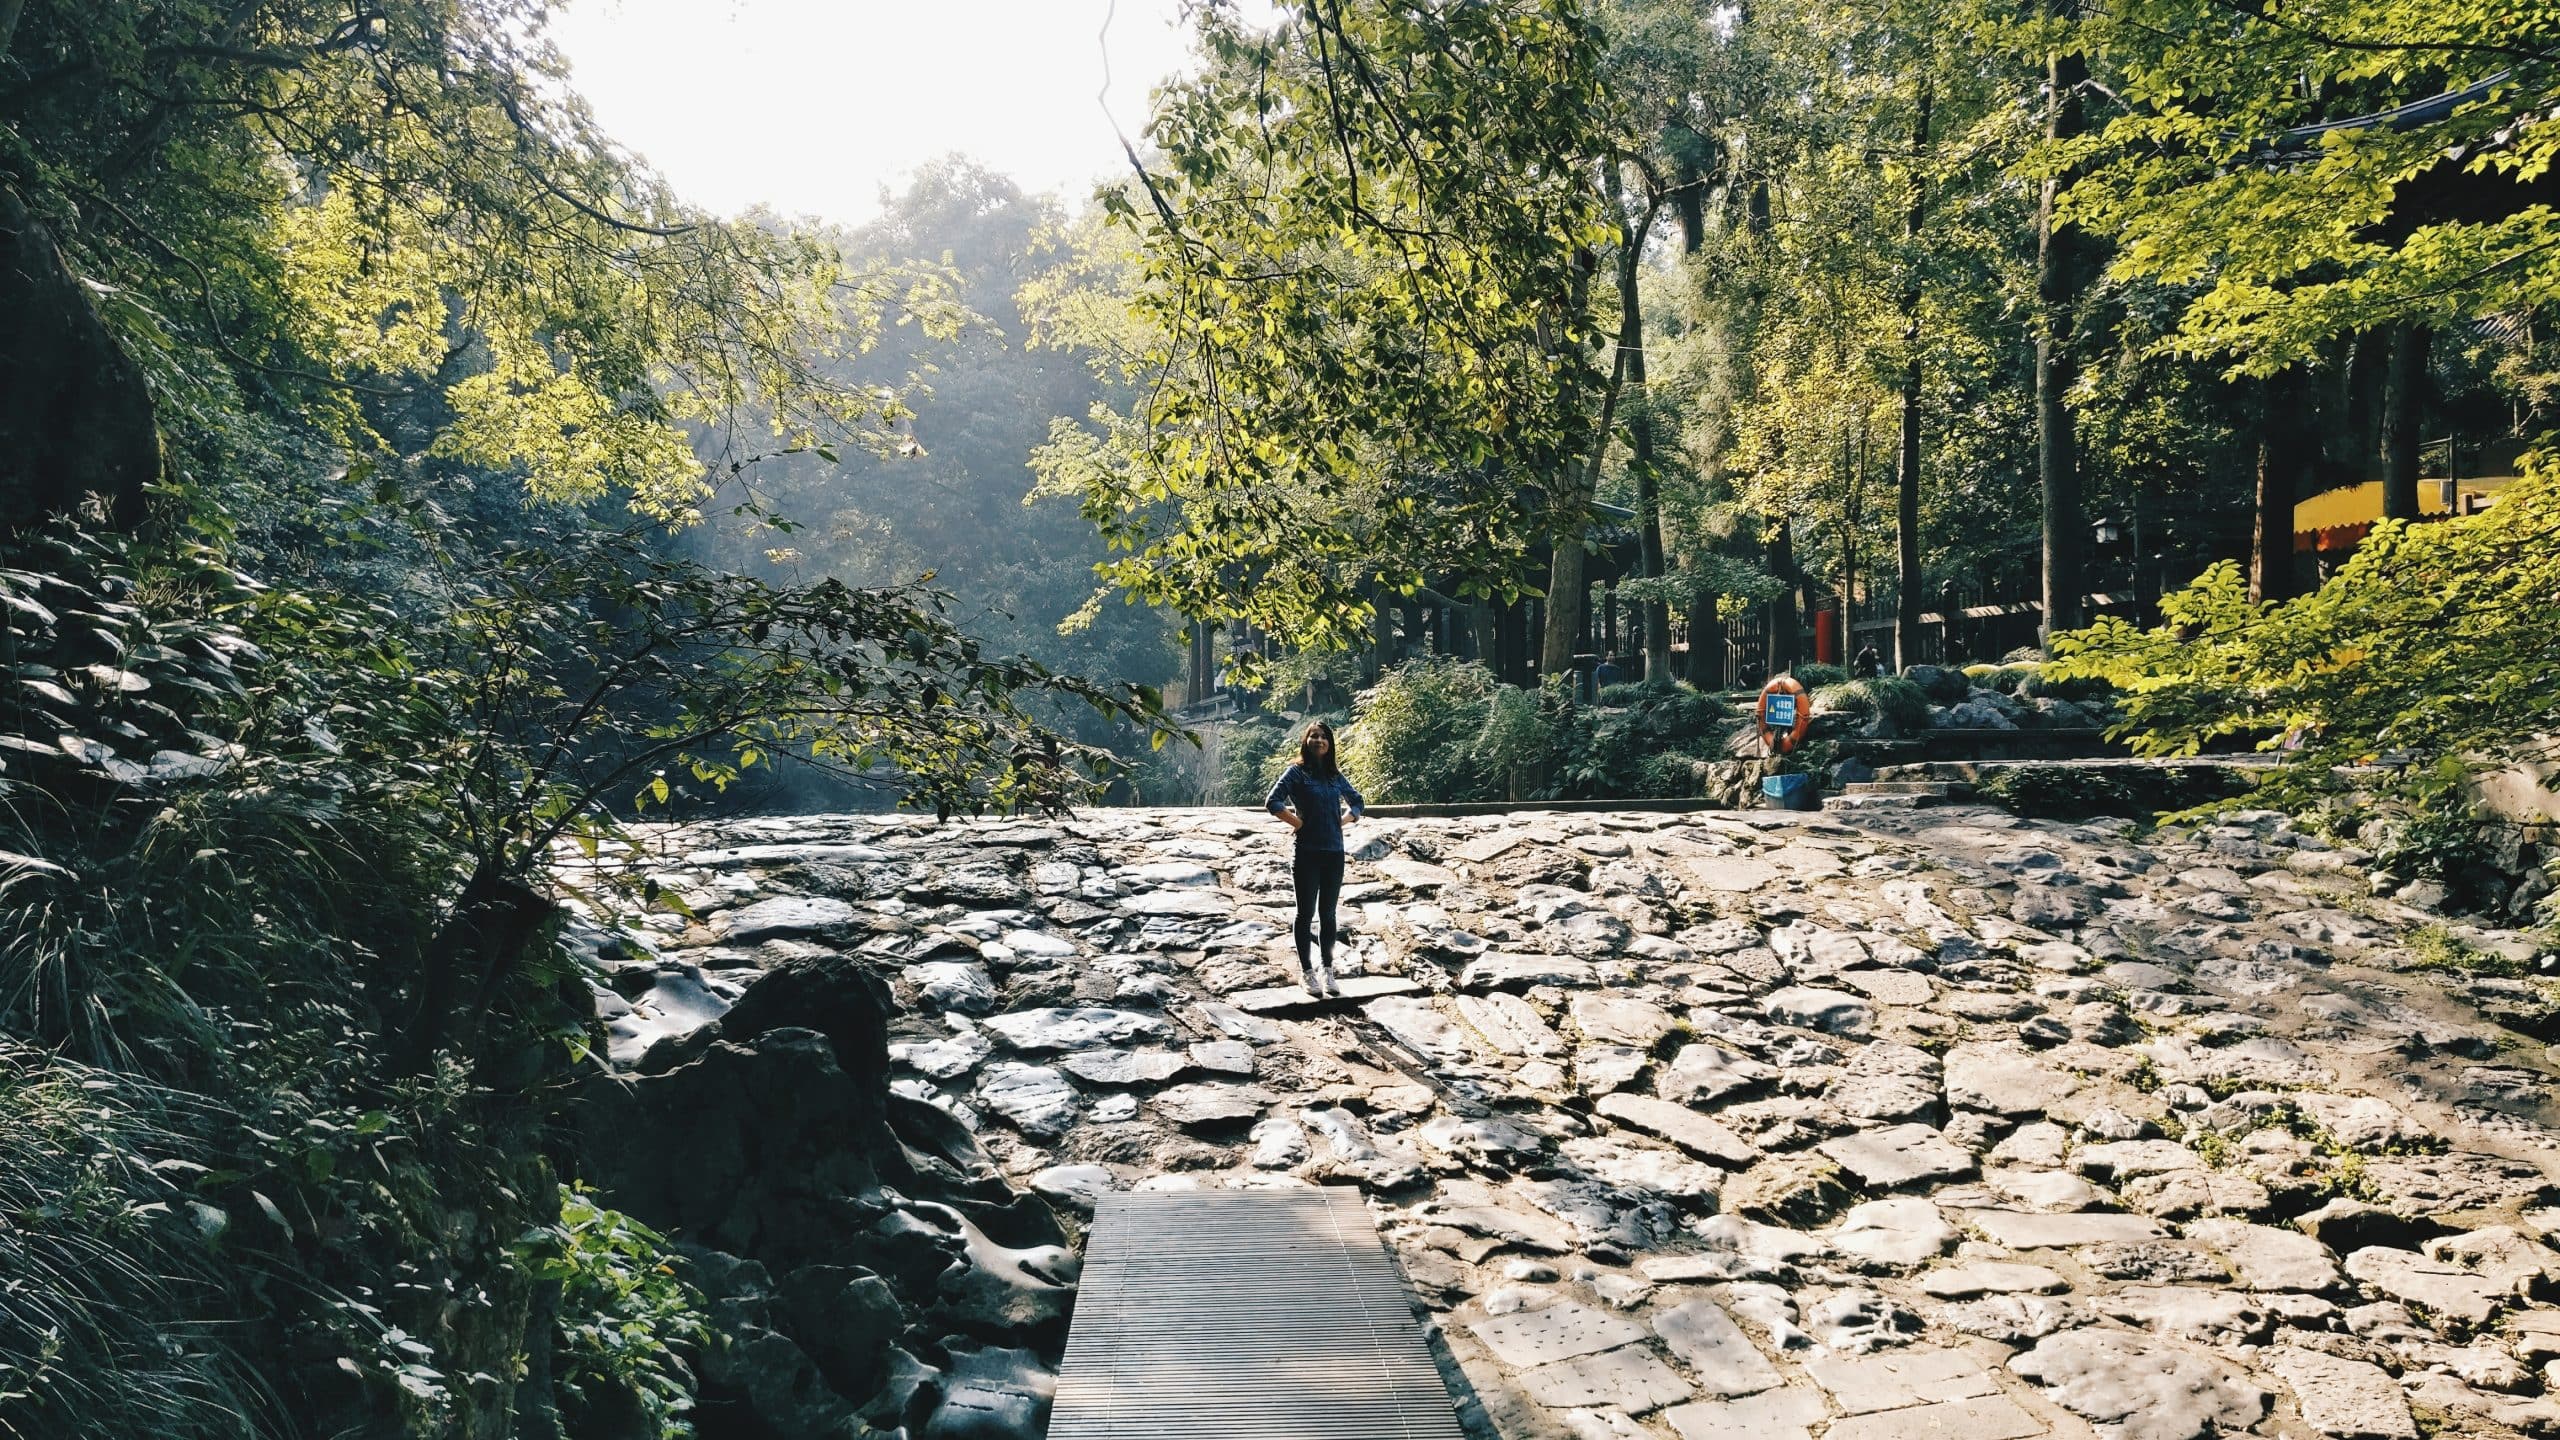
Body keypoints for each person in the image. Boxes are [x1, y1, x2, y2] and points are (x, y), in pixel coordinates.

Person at [1265, 720, 1365, 996]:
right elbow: (1273, 801)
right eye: (1314, 736)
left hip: (1334, 852)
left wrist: (1344, 820)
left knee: (1329, 915)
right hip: (1306, 852)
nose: (1319, 740)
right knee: (1305, 913)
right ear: (1306, 741)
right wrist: (1297, 823)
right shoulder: (1297, 773)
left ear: (1329, 743)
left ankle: (1328, 970)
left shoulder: (1335, 776)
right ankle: (1307, 972)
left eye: (1323, 737)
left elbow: (1358, 801)